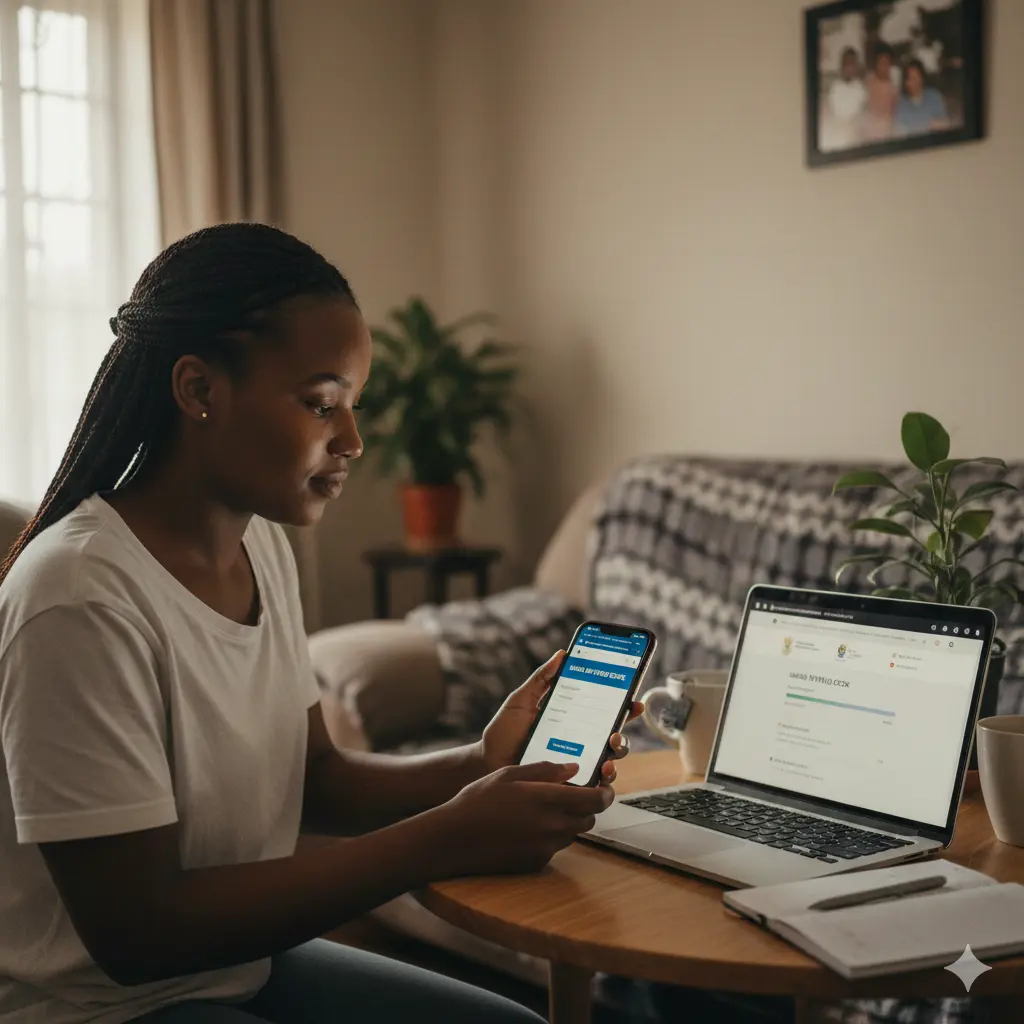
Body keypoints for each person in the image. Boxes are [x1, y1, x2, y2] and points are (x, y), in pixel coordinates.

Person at [0, 223, 643, 1024]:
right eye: (321, 404)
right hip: (99, 1009)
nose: (353, 440)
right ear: (198, 390)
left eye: (353, 407)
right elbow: (138, 935)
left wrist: (478, 759)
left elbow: (313, 777)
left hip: (233, 971)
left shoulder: (260, 542)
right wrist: (446, 836)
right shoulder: (78, 595)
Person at [823, 47, 867, 151]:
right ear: (842, 65)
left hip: (855, 136)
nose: (849, 67)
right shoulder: (834, 88)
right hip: (835, 134)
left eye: (852, 63)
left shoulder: (861, 90)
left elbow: (861, 117)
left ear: (856, 66)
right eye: (846, 63)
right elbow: (830, 113)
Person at [895, 58, 949, 136]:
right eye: (911, 78)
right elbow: (900, 132)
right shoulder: (901, 105)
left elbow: (944, 125)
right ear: (906, 83)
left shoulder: (935, 96)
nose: (915, 81)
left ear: (923, 78)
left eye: (917, 76)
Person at [862, 44, 899, 141]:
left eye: (887, 63)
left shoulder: (893, 86)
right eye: (881, 63)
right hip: (870, 127)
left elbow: (895, 111)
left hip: (887, 127)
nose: (884, 66)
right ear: (876, 64)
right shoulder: (869, 81)